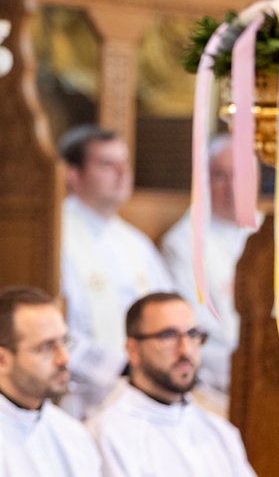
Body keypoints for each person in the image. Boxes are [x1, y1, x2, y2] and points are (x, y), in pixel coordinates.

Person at [58, 125, 174, 419]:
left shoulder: (137, 244)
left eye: (125, 162)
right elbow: (58, 331)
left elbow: (170, 312)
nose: (122, 173)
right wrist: (126, 370)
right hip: (85, 401)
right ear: (73, 175)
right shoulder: (55, 239)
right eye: (107, 164)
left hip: (146, 394)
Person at [87, 293, 257, 477]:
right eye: (168, 336)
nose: (186, 350)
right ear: (133, 350)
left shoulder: (220, 433)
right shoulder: (108, 434)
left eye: (192, 334)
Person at [0, 286, 101, 477]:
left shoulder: (72, 433)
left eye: (64, 341)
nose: (64, 358)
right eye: (46, 347)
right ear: (0, 360)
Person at [161, 134, 259, 397]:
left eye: (241, 175)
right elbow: (197, 328)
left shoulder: (272, 235)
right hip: (218, 381)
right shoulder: (184, 243)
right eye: (220, 176)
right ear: (203, 181)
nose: (232, 187)